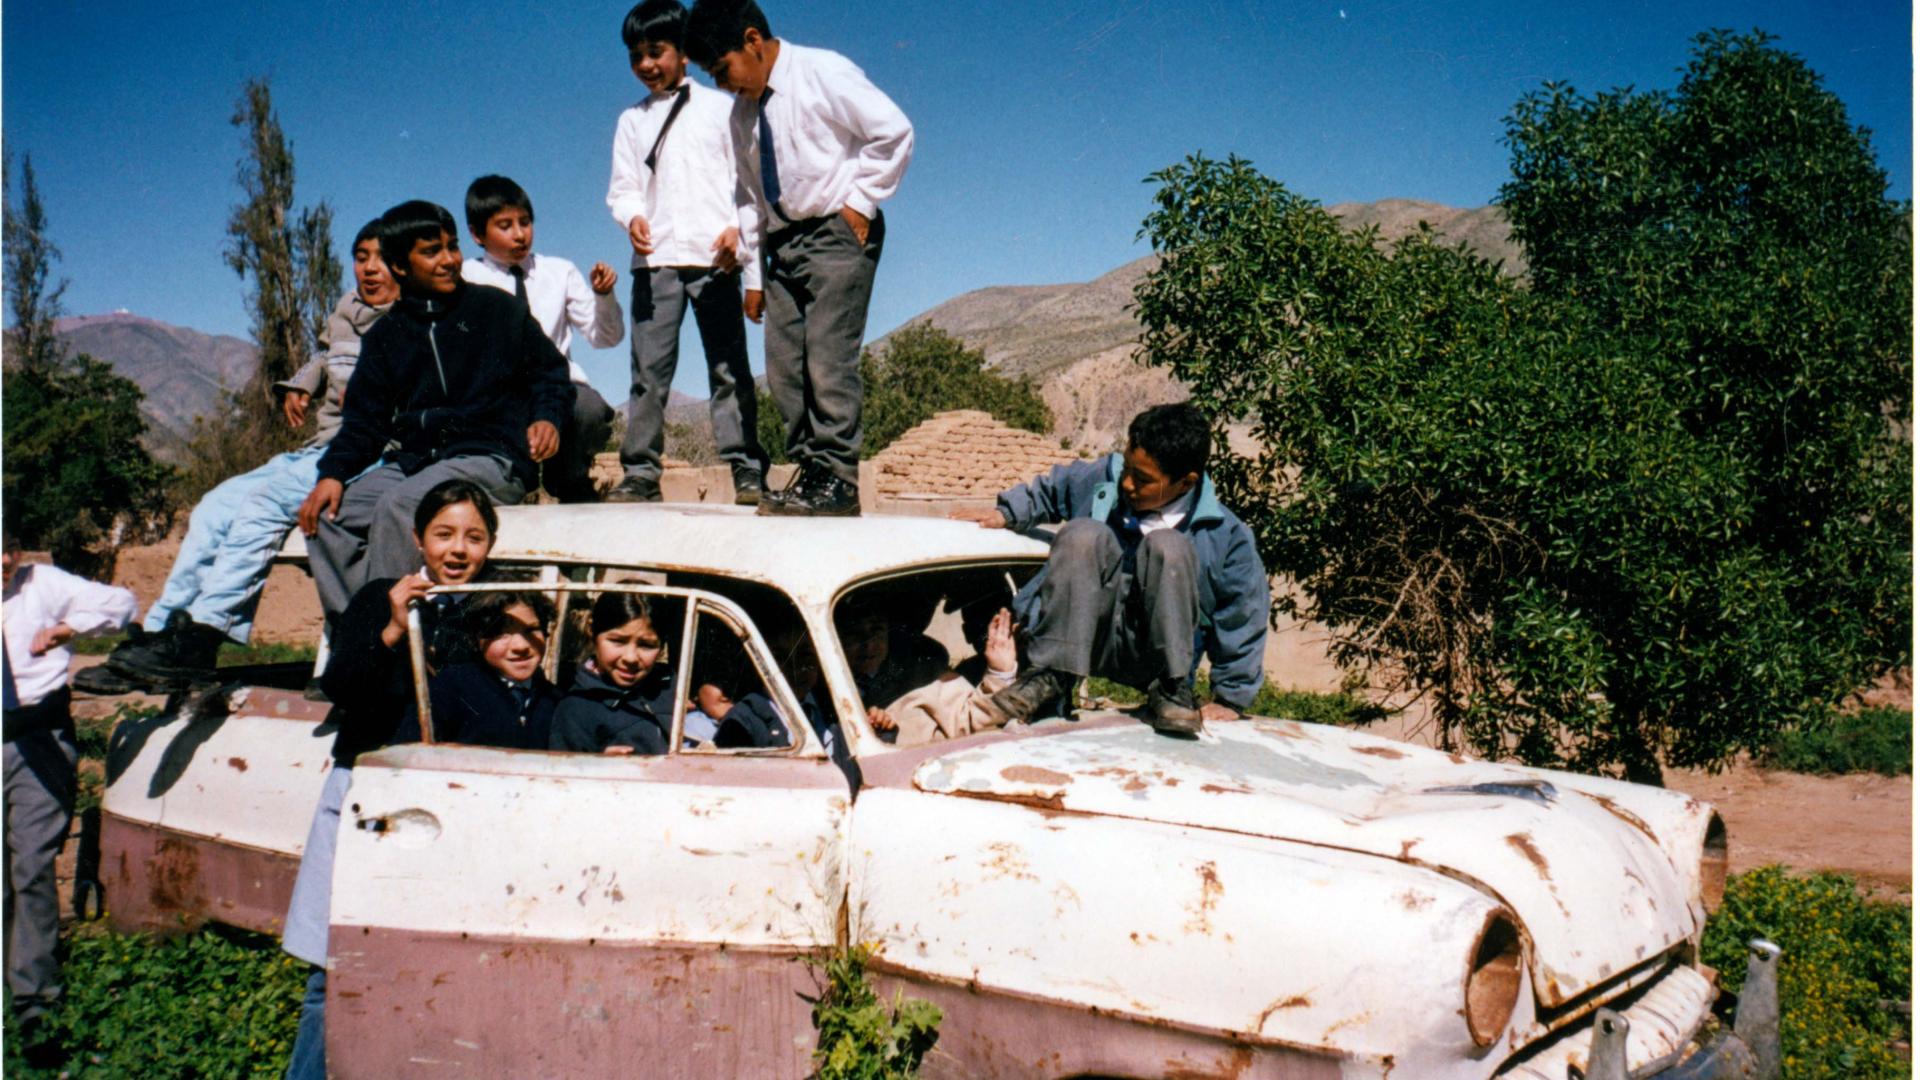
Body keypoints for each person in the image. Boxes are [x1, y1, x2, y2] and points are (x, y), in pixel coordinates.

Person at [103, 221, 398, 688]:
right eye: (362, 256)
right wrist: (302, 384)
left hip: (368, 453)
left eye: (382, 257)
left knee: (264, 505)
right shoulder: (346, 309)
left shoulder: (412, 322)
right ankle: (163, 634)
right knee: (215, 505)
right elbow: (324, 356)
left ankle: (202, 636)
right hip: (320, 448)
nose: (371, 268)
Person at [280, 480, 498, 1080]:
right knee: (335, 967)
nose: (458, 550)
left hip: (452, 807)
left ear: (490, 548)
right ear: (418, 539)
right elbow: (343, 686)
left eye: (474, 538)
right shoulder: (380, 597)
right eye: (445, 534)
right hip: (367, 799)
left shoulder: (494, 611)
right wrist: (396, 628)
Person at [684, 0, 913, 516]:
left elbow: (893, 131)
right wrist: (754, 275)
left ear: (752, 40)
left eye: (723, 70)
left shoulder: (821, 72)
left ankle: (838, 478)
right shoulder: (742, 115)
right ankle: (811, 470)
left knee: (828, 357)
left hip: (836, 231)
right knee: (785, 366)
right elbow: (747, 196)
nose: (722, 85)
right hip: (782, 246)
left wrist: (861, 203)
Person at [298, 199, 575, 621]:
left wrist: (546, 416)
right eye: (432, 251)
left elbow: (550, 372)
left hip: (492, 457)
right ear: (400, 266)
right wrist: (332, 474)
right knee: (329, 517)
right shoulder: (386, 335)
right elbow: (364, 422)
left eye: (452, 246)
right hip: (417, 461)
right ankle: (357, 643)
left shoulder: (497, 310)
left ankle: (391, 661)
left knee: (397, 507)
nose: (450, 260)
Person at [951, 402, 1270, 736]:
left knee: (1169, 547)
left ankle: (1172, 689)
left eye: (1143, 480)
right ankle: (1050, 675)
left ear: (1186, 483)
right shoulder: (1107, 480)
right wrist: (1008, 512)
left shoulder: (1224, 534)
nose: (1128, 484)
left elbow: (1243, 614)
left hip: (1150, 654)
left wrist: (1231, 697)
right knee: (1083, 534)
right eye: (1128, 468)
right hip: (1081, 640)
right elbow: (1053, 490)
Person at [606, 0, 768, 506]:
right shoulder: (631, 121)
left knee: (727, 366)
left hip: (714, 258)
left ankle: (744, 466)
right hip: (654, 262)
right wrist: (632, 215)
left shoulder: (723, 107)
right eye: (637, 56)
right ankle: (639, 472)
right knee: (648, 374)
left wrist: (735, 231)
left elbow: (746, 181)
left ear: (682, 53)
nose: (647, 66)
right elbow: (623, 187)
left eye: (656, 52)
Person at [2, 533, 137, 1061]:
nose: (4, 559)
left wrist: (64, 629)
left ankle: (34, 1002)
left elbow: (121, 604)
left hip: (38, 735)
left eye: (8, 543)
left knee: (31, 867)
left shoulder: (40, 583)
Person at [460, 175, 623, 504]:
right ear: (477, 234)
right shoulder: (466, 278)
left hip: (557, 390)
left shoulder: (559, 272)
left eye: (525, 222)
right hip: (495, 396)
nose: (520, 234)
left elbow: (606, 338)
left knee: (588, 409)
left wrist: (604, 296)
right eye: (504, 225)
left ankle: (568, 479)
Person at [393, 590, 561, 749]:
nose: (521, 646)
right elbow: (408, 753)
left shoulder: (554, 698)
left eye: (531, 630)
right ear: (475, 639)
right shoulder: (449, 689)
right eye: (500, 633)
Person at [550, 592, 678, 754]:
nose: (630, 658)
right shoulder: (576, 709)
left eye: (646, 645)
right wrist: (600, 767)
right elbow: (565, 774)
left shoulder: (669, 686)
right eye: (618, 641)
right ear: (592, 632)